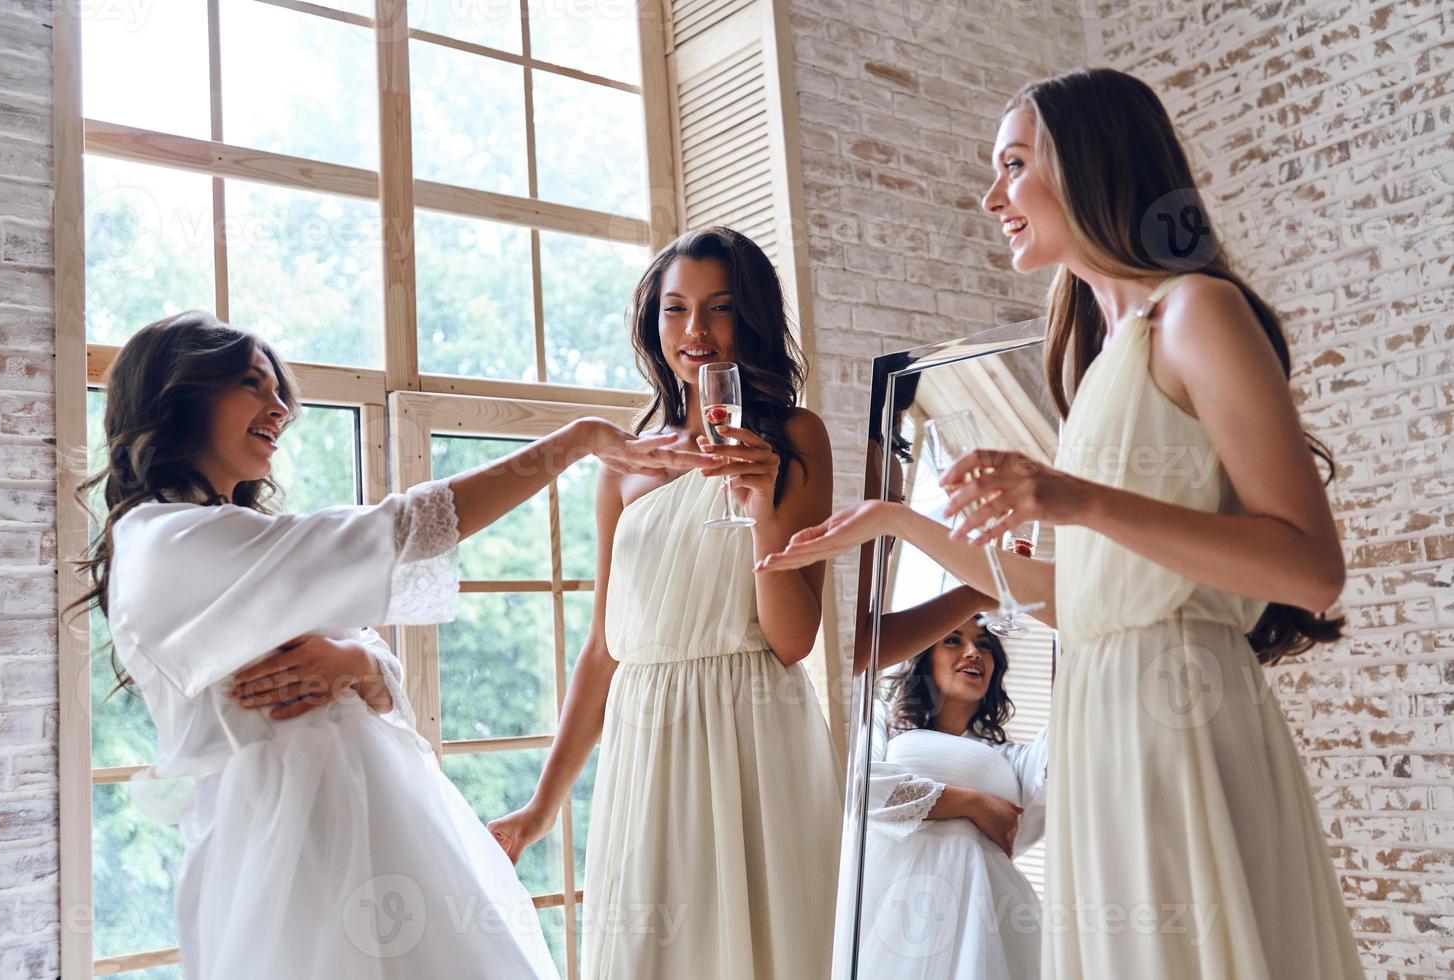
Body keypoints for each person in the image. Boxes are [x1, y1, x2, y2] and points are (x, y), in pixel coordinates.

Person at [759, 67, 1365, 979]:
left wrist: (1070, 498)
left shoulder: (1197, 313)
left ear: (1085, 165)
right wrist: (892, 517)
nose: (991, 195)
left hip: (1181, 726)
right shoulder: (1100, 366)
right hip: (1106, 724)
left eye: (1012, 165)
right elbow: (1079, 599)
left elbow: (1311, 566)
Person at [69, 310, 706, 980]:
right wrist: (571, 443)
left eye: (279, 390)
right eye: (254, 386)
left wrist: (361, 664)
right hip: (294, 854)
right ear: (180, 395)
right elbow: (403, 529)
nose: (281, 408)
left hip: (372, 831)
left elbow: (372, 661)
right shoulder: (170, 542)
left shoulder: (230, 536)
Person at [487, 227, 843, 979]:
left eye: (718, 309)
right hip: (645, 747)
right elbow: (604, 650)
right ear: (655, 326)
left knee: (766, 950)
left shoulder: (797, 439)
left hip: (755, 735)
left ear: (750, 318)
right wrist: (542, 809)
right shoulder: (624, 465)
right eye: (675, 310)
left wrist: (761, 506)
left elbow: (791, 641)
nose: (696, 333)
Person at [861, 617, 1047, 979]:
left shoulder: (1015, 759)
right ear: (924, 655)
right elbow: (864, 792)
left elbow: (1041, 799)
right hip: (891, 905)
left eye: (985, 644)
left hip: (989, 910)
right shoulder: (881, 722)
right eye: (952, 640)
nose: (973, 652)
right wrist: (971, 803)